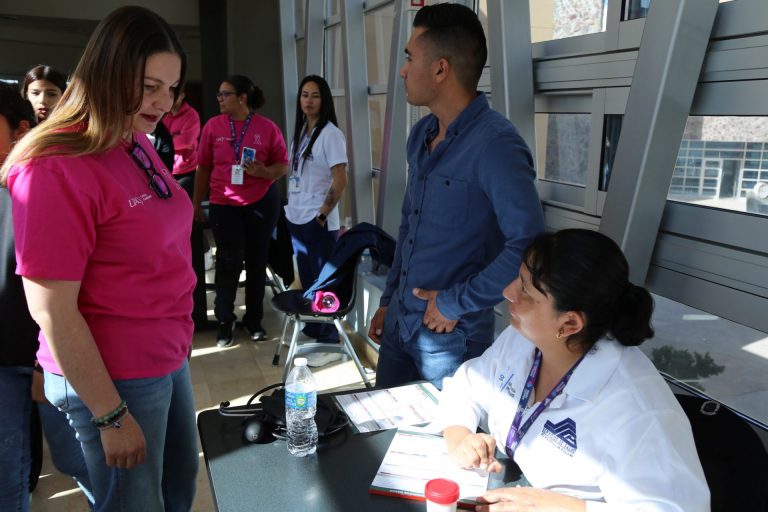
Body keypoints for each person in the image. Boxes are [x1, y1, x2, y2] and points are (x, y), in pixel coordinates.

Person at [1, 6, 198, 511]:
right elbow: (51, 309)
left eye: (171, 88)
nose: (164, 102)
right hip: (115, 376)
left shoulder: (131, 137)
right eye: (150, 86)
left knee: (178, 491)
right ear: (108, 73)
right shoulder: (54, 166)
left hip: (165, 353)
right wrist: (110, 414)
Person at [438, 229, 710, 511]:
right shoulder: (526, 338)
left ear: (569, 324)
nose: (508, 292)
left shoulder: (639, 411)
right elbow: (468, 384)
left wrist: (567, 507)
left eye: (526, 290)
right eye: (518, 278)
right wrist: (460, 436)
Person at [368, 3, 545, 388]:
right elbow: (409, 224)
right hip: (400, 323)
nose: (403, 70)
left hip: (450, 336)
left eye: (409, 58)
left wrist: (454, 302)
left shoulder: (497, 145)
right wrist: (388, 300)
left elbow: (529, 244)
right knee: (382, 422)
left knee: (443, 429)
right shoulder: (422, 134)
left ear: (440, 69)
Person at [194, 75, 289, 347]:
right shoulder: (213, 126)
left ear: (242, 97)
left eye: (225, 94)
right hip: (224, 204)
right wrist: (196, 202)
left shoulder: (267, 128)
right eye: (219, 94)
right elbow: (203, 167)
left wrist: (264, 172)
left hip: (260, 202)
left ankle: (254, 320)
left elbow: (282, 165)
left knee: (257, 262)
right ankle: (225, 321)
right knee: (228, 261)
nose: (219, 99)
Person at [284, 75, 348, 367]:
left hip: (318, 220)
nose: (308, 101)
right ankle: (313, 330)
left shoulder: (331, 135)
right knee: (308, 280)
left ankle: (329, 339)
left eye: (315, 96)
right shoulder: (301, 132)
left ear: (325, 101)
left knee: (324, 282)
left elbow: (340, 179)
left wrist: (321, 214)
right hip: (297, 216)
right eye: (304, 95)